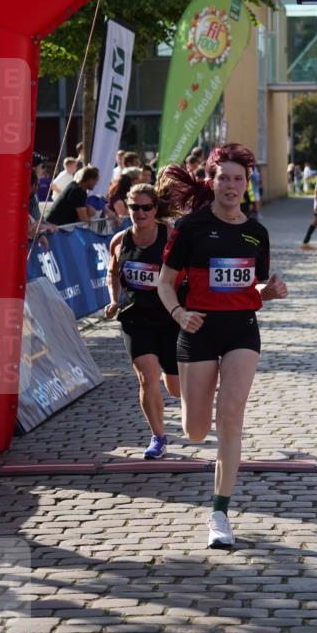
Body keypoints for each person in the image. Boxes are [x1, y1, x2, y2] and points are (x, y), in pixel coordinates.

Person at [157, 144, 288, 548]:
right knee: (196, 432)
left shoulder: (256, 232)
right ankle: (177, 386)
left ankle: (219, 513)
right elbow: (165, 283)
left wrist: (272, 291)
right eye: (224, 178)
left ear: (248, 185)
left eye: (238, 179)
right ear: (212, 182)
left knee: (230, 417)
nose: (231, 185)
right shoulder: (190, 228)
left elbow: (253, 288)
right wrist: (179, 314)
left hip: (241, 333)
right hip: (196, 330)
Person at [105, 184, 181, 458]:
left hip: (169, 318)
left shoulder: (171, 237)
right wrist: (114, 300)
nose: (140, 212)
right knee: (146, 377)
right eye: (134, 207)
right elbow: (113, 273)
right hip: (135, 317)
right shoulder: (120, 241)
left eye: (146, 207)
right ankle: (158, 437)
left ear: (155, 209)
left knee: (175, 388)